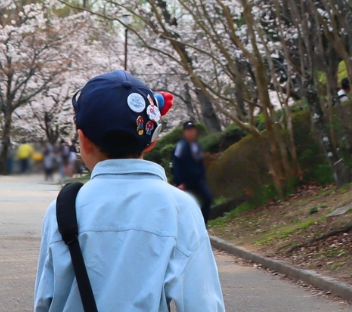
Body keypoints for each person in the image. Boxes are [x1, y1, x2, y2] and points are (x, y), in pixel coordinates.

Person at [34, 71, 224, 312]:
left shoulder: (63, 209)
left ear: (82, 139)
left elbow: (46, 300)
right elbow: (203, 303)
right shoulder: (180, 207)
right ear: (152, 141)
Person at [172, 121, 214, 223]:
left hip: (198, 179)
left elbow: (200, 163)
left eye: (192, 130)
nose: (191, 133)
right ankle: (192, 225)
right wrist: (179, 183)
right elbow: (176, 164)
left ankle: (203, 223)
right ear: (184, 132)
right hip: (185, 181)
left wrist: (203, 177)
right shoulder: (181, 146)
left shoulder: (196, 145)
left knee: (208, 198)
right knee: (190, 204)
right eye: (188, 130)